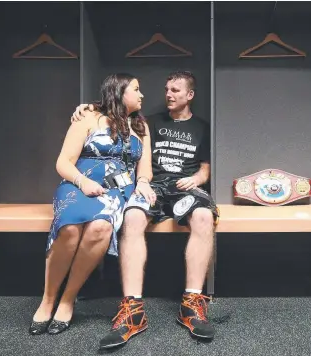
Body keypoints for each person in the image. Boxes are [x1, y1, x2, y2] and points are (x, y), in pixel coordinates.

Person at [71, 70, 219, 347]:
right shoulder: (146, 121)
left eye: (176, 90)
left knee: (203, 215)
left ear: (190, 95)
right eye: (167, 89)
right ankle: (132, 311)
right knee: (133, 216)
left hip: (185, 188)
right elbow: (114, 108)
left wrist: (197, 179)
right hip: (151, 185)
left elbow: (205, 168)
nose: (168, 94)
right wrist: (89, 107)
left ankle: (192, 305)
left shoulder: (202, 127)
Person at [29, 73, 156, 336]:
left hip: (116, 192)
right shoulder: (87, 117)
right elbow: (63, 162)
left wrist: (143, 181)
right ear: (119, 92)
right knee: (71, 228)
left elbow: (145, 169)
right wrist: (82, 182)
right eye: (136, 89)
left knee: (100, 227)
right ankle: (48, 299)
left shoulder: (141, 127)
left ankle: (67, 299)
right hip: (77, 186)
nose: (142, 94)